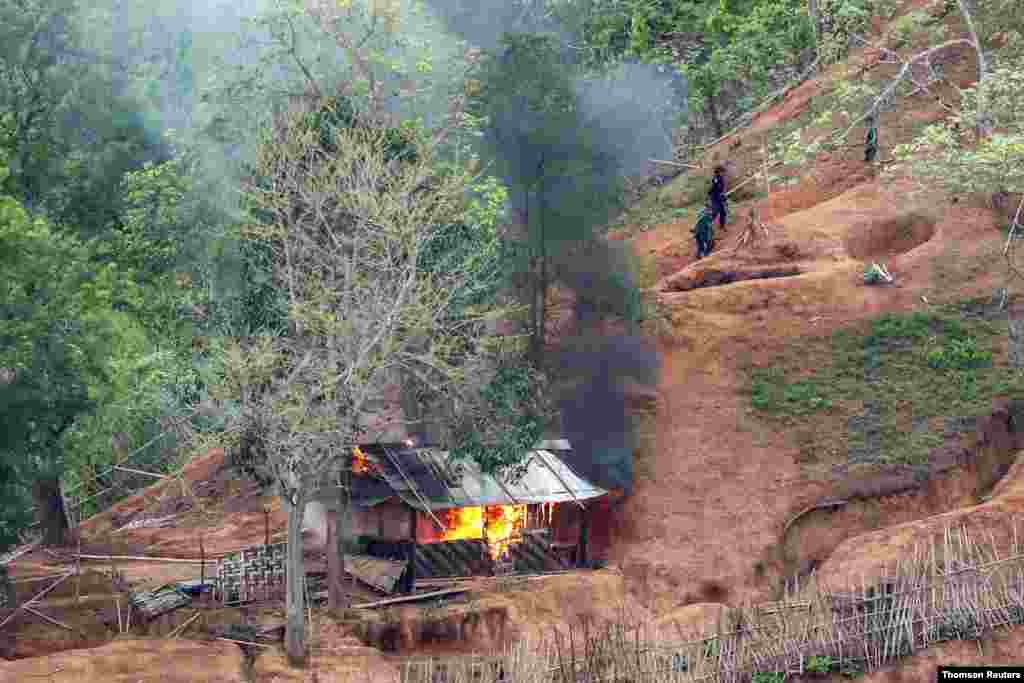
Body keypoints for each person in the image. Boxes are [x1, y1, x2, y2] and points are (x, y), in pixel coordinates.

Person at [707, 165, 728, 230]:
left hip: (720, 197)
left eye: (723, 172)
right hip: (715, 197)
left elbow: (722, 189)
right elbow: (713, 188)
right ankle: (707, 224)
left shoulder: (721, 178)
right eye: (722, 171)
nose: (723, 173)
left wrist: (723, 196)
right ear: (718, 172)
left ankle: (722, 226)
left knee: (723, 212)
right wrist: (710, 193)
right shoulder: (715, 178)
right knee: (715, 212)